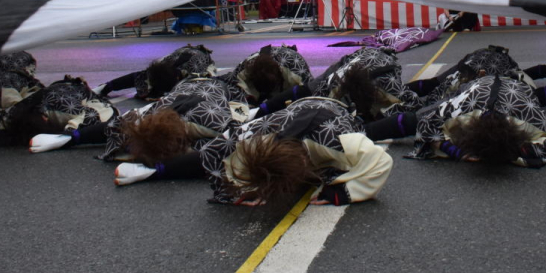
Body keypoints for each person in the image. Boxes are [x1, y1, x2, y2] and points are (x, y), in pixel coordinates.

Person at [112, 98, 394, 206]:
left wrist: (344, 192)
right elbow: (214, 153)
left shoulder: (339, 140)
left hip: (333, 109)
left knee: (339, 168)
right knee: (225, 150)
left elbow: (381, 161)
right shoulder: (254, 134)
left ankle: (151, 171)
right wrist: (237, 190)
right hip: (295, 110)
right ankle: (151, 171)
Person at [30, 76, 246, 160]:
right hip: (206, 101)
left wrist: (72, 137)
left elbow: (114, 126)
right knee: (222, 137)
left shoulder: (149, 114)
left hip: (186, 100)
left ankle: (69, 138)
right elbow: (234, 137)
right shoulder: (215, 116)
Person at [406, 74, 546, 167]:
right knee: (426, 112)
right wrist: (458, 152)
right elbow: (425, 123)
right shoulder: (462, 107)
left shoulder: (524, 111)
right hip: (478, 85)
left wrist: (518, 151)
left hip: (513, 84)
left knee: (425, 113)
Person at [255, 47, 421, 121]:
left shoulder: (388, 85)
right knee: (312, 91)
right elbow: (318, 98)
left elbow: (414, 103)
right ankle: (259, 112)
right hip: (354, 60)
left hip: (379, 63)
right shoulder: (335, 81)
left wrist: (380, 117)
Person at [98, 44, 217, 99]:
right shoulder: (163, 64)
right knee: (146, 79)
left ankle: (160, 89)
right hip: (179, 57)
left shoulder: (199, 73)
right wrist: (110, 86)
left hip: (199, 63)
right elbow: (136, 77)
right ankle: (158, 88)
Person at [217, 44, 312, 104]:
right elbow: (239, 101)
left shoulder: (296, 67)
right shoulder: (242, 70)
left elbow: (312, 93)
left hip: (287, 76)